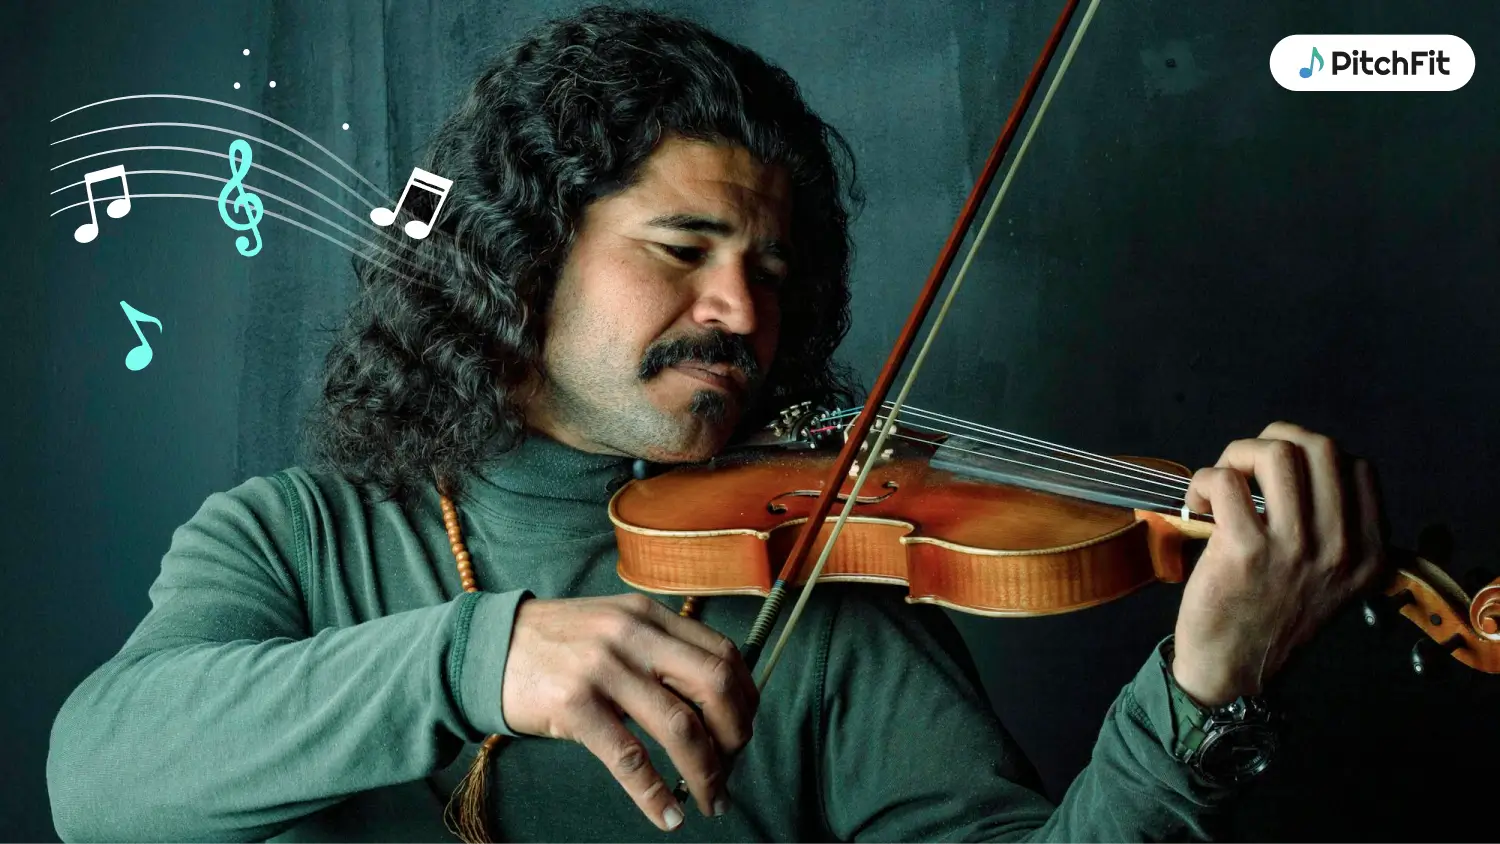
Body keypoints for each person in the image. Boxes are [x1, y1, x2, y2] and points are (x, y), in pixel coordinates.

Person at [47, 6, 1386, 843]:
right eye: (684, 247)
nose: (741, 310)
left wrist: (1204, 698)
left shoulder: (818, 590)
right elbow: (97, 782)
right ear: (520, 257)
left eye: (774, 273)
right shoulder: (296, 539)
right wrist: (478, 658)